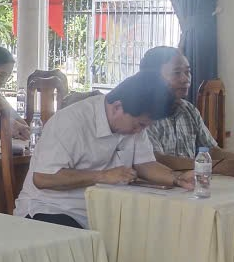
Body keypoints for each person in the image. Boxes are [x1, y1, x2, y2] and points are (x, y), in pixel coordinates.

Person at [15, 71, 192, 228]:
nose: (140, 131)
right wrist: (102, 176)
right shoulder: (71, 121)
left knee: (159, 227)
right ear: (117, 107)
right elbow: (43, 178)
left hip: (105, 210)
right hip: (53, 209)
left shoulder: (133, 122)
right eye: (139, 125)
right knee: (86, 243)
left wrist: (177, 178)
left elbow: (146, 164)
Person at [140, 46, 234, 174]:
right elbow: (157, 159)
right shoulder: (142, 114)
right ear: (153, 78)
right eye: (177, 73)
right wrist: (215, 167)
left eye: (187, 72)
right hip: (163, 182)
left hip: (191, 180)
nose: (186, 79)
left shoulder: (189, 109)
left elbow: (211, 150)